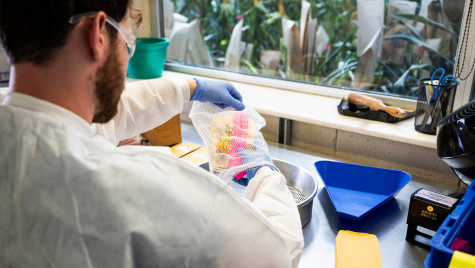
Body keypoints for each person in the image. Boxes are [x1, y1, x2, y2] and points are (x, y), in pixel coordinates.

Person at [0, 1, 304, 267]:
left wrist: (188, 89)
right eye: (128, 40)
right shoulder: (150, 189)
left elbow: (87, 118)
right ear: (97, 35)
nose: (128, 55)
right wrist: (264, 174)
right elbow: (275, 255)